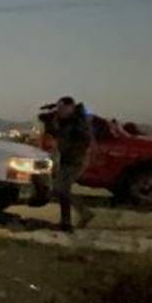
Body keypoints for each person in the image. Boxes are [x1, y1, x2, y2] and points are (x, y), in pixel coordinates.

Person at [38, 96, 94, 232]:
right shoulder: (68, 120)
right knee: (62, 190)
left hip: (76, 160)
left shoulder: (78, 121)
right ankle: (67, 222)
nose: (60, 111)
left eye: (62, 108)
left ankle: (82, 214)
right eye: (59, 108)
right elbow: (55, 132)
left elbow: (77, 138)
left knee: (60, 189)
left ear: (71, 107)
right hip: (68, 159)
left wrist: (57, 124)